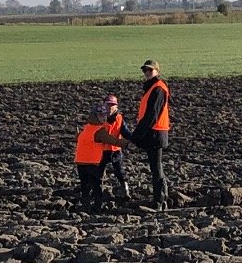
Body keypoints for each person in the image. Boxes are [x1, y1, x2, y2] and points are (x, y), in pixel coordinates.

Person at [130, 60, 173, 210]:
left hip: (156, 133)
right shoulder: (152, 87)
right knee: (156, 167)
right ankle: (161, 199)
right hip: (154, 131)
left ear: (157, 71)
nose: (147, 73)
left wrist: (136, 136)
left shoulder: (158, 88)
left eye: (150, 70)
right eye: (145, 70)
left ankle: (160, 201)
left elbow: (151, 115)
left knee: (156, 167)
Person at [72, 99, 125, 212]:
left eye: (104, 116)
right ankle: (97, 205)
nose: (104, 118)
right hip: (92, 162)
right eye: (101, 116)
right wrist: (126, 143)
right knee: (96, 185)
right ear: (95, 116)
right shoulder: (99, 131)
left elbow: (79, 139)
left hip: (81, 161)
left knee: (85, 185)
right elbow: (112, 140)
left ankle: (85, 205)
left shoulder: (87, 127)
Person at [97, 93, 133, 206]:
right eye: (108, 105)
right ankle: (98, 192)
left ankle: (125, 189)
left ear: (116, 107)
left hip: (115, 150)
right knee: (98, 172)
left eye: (112, 105)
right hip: (102, 150)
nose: (110, 107)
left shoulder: (119, 118)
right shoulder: (99, 118)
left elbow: (125, 132)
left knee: (119, 170)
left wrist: (134, 138)